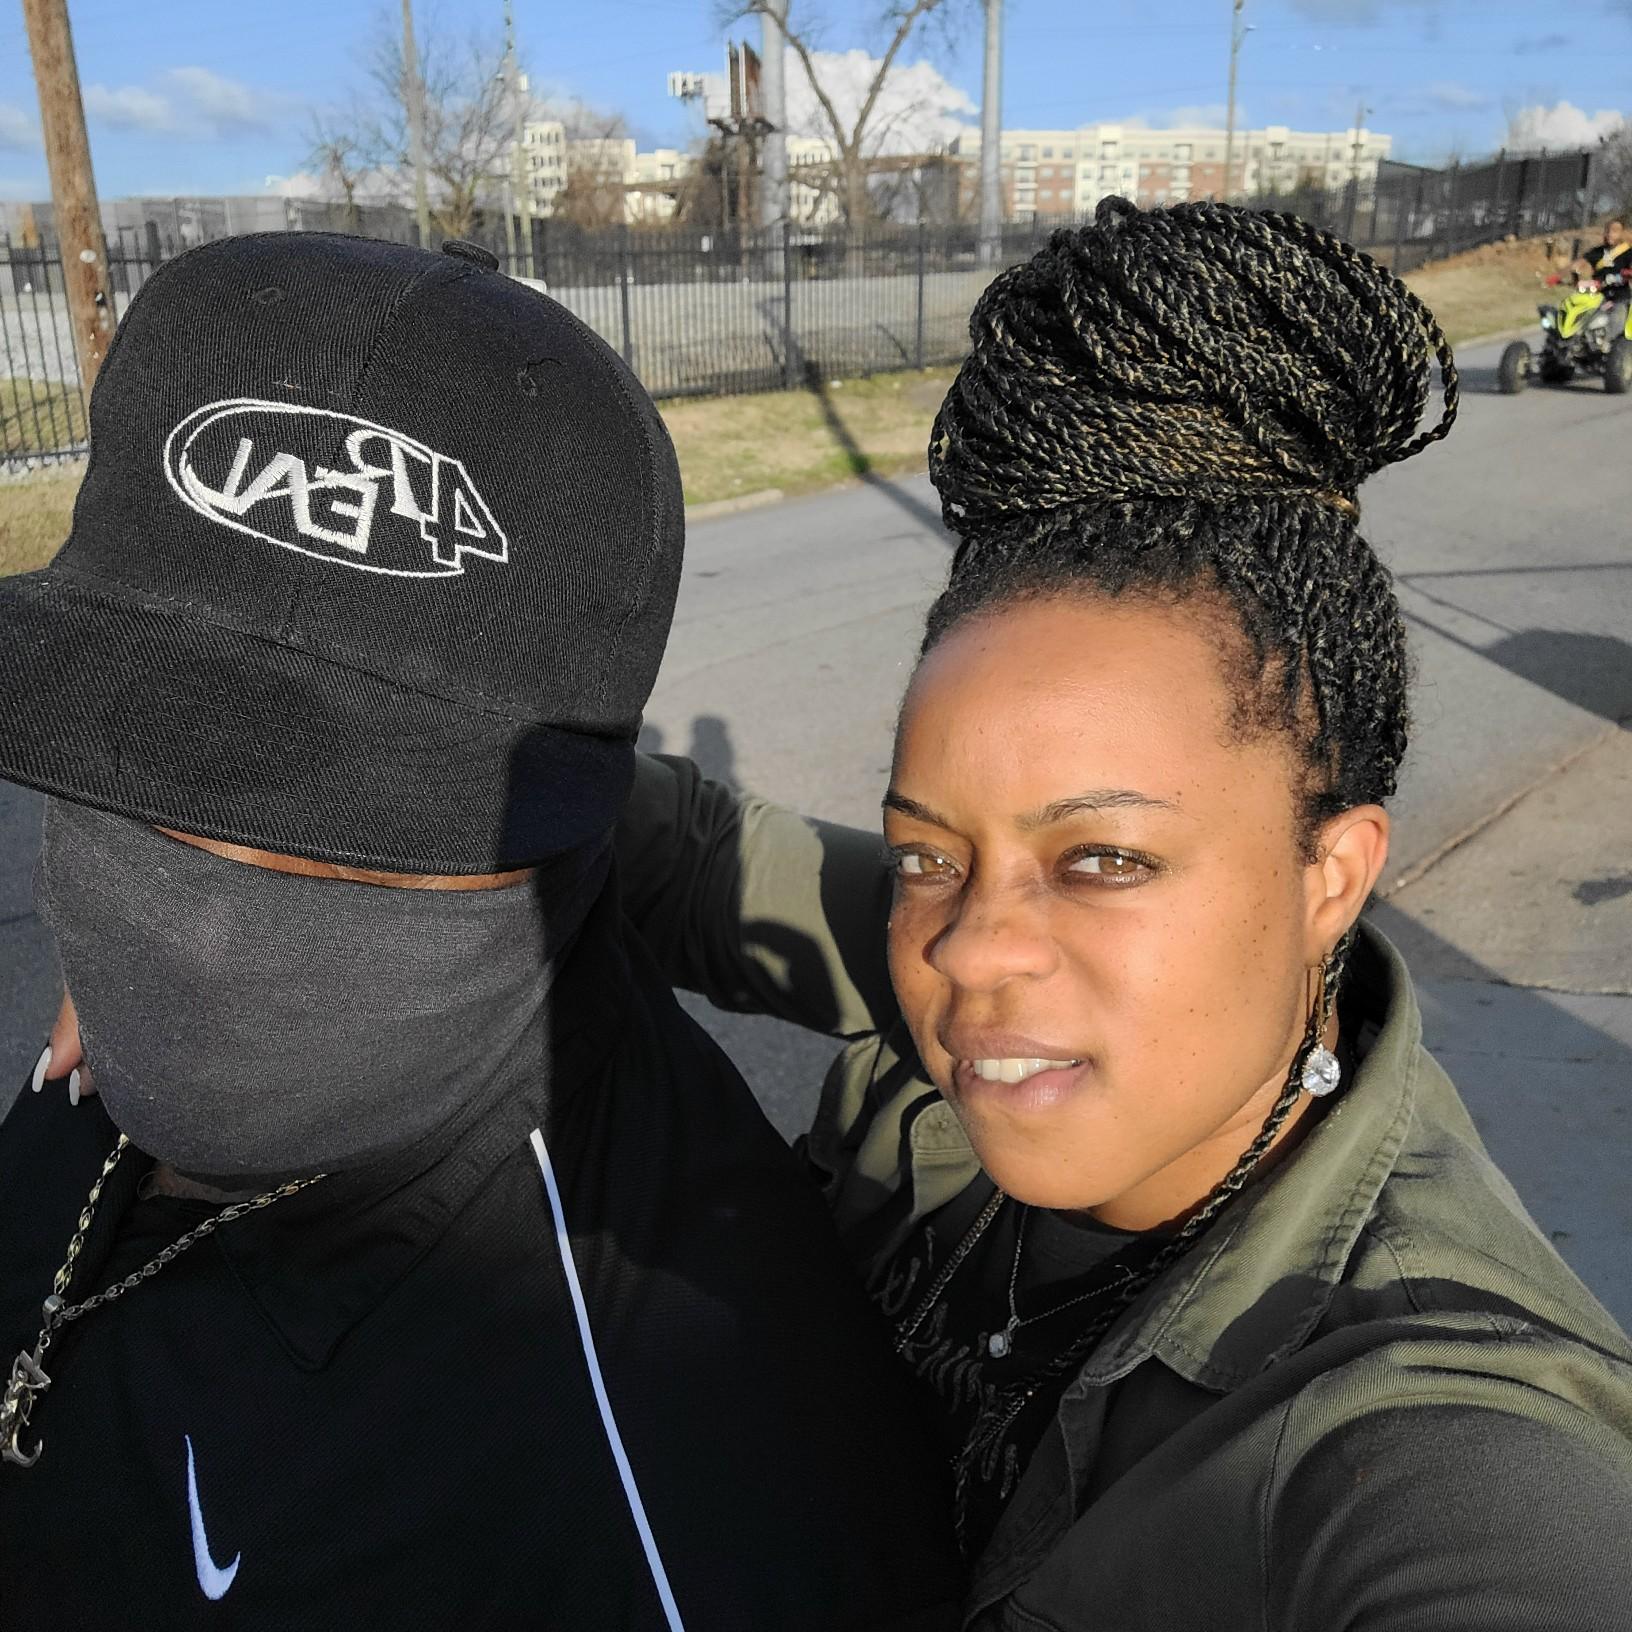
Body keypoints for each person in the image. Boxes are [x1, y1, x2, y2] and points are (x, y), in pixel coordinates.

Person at [609, 202, 1632, 1625]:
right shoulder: (993, 992)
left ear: (1331, 874)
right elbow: (680, 852)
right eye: (925, 854)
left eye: (1101, 859)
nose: (969, 950)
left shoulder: (1436, 1423)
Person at [0, 232, 961, 1627]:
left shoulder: (681, 1503)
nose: (204, 898)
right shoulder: (113, 1059)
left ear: (572, 828)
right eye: (142, 752)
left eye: (360, 823)